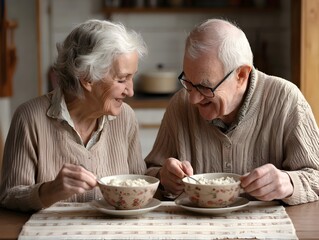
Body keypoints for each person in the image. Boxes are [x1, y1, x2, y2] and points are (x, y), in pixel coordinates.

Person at [145, 18, 319, 205]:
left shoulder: (286, 99)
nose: (193, 99)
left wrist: (289, 183)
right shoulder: (180, 104)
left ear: (241, 76)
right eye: (188, 82)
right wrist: (163, 178)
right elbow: (149, 174)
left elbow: (316, 177)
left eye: (205, 87)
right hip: (197, 229)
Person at [0, 19, 148, 212]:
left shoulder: (125, 117)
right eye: (121, 80)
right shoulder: (30, 118)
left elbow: (140, 183)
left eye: (132, 77)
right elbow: (8, 197)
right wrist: (50, 191)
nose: (130, 91)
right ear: (87, 78)